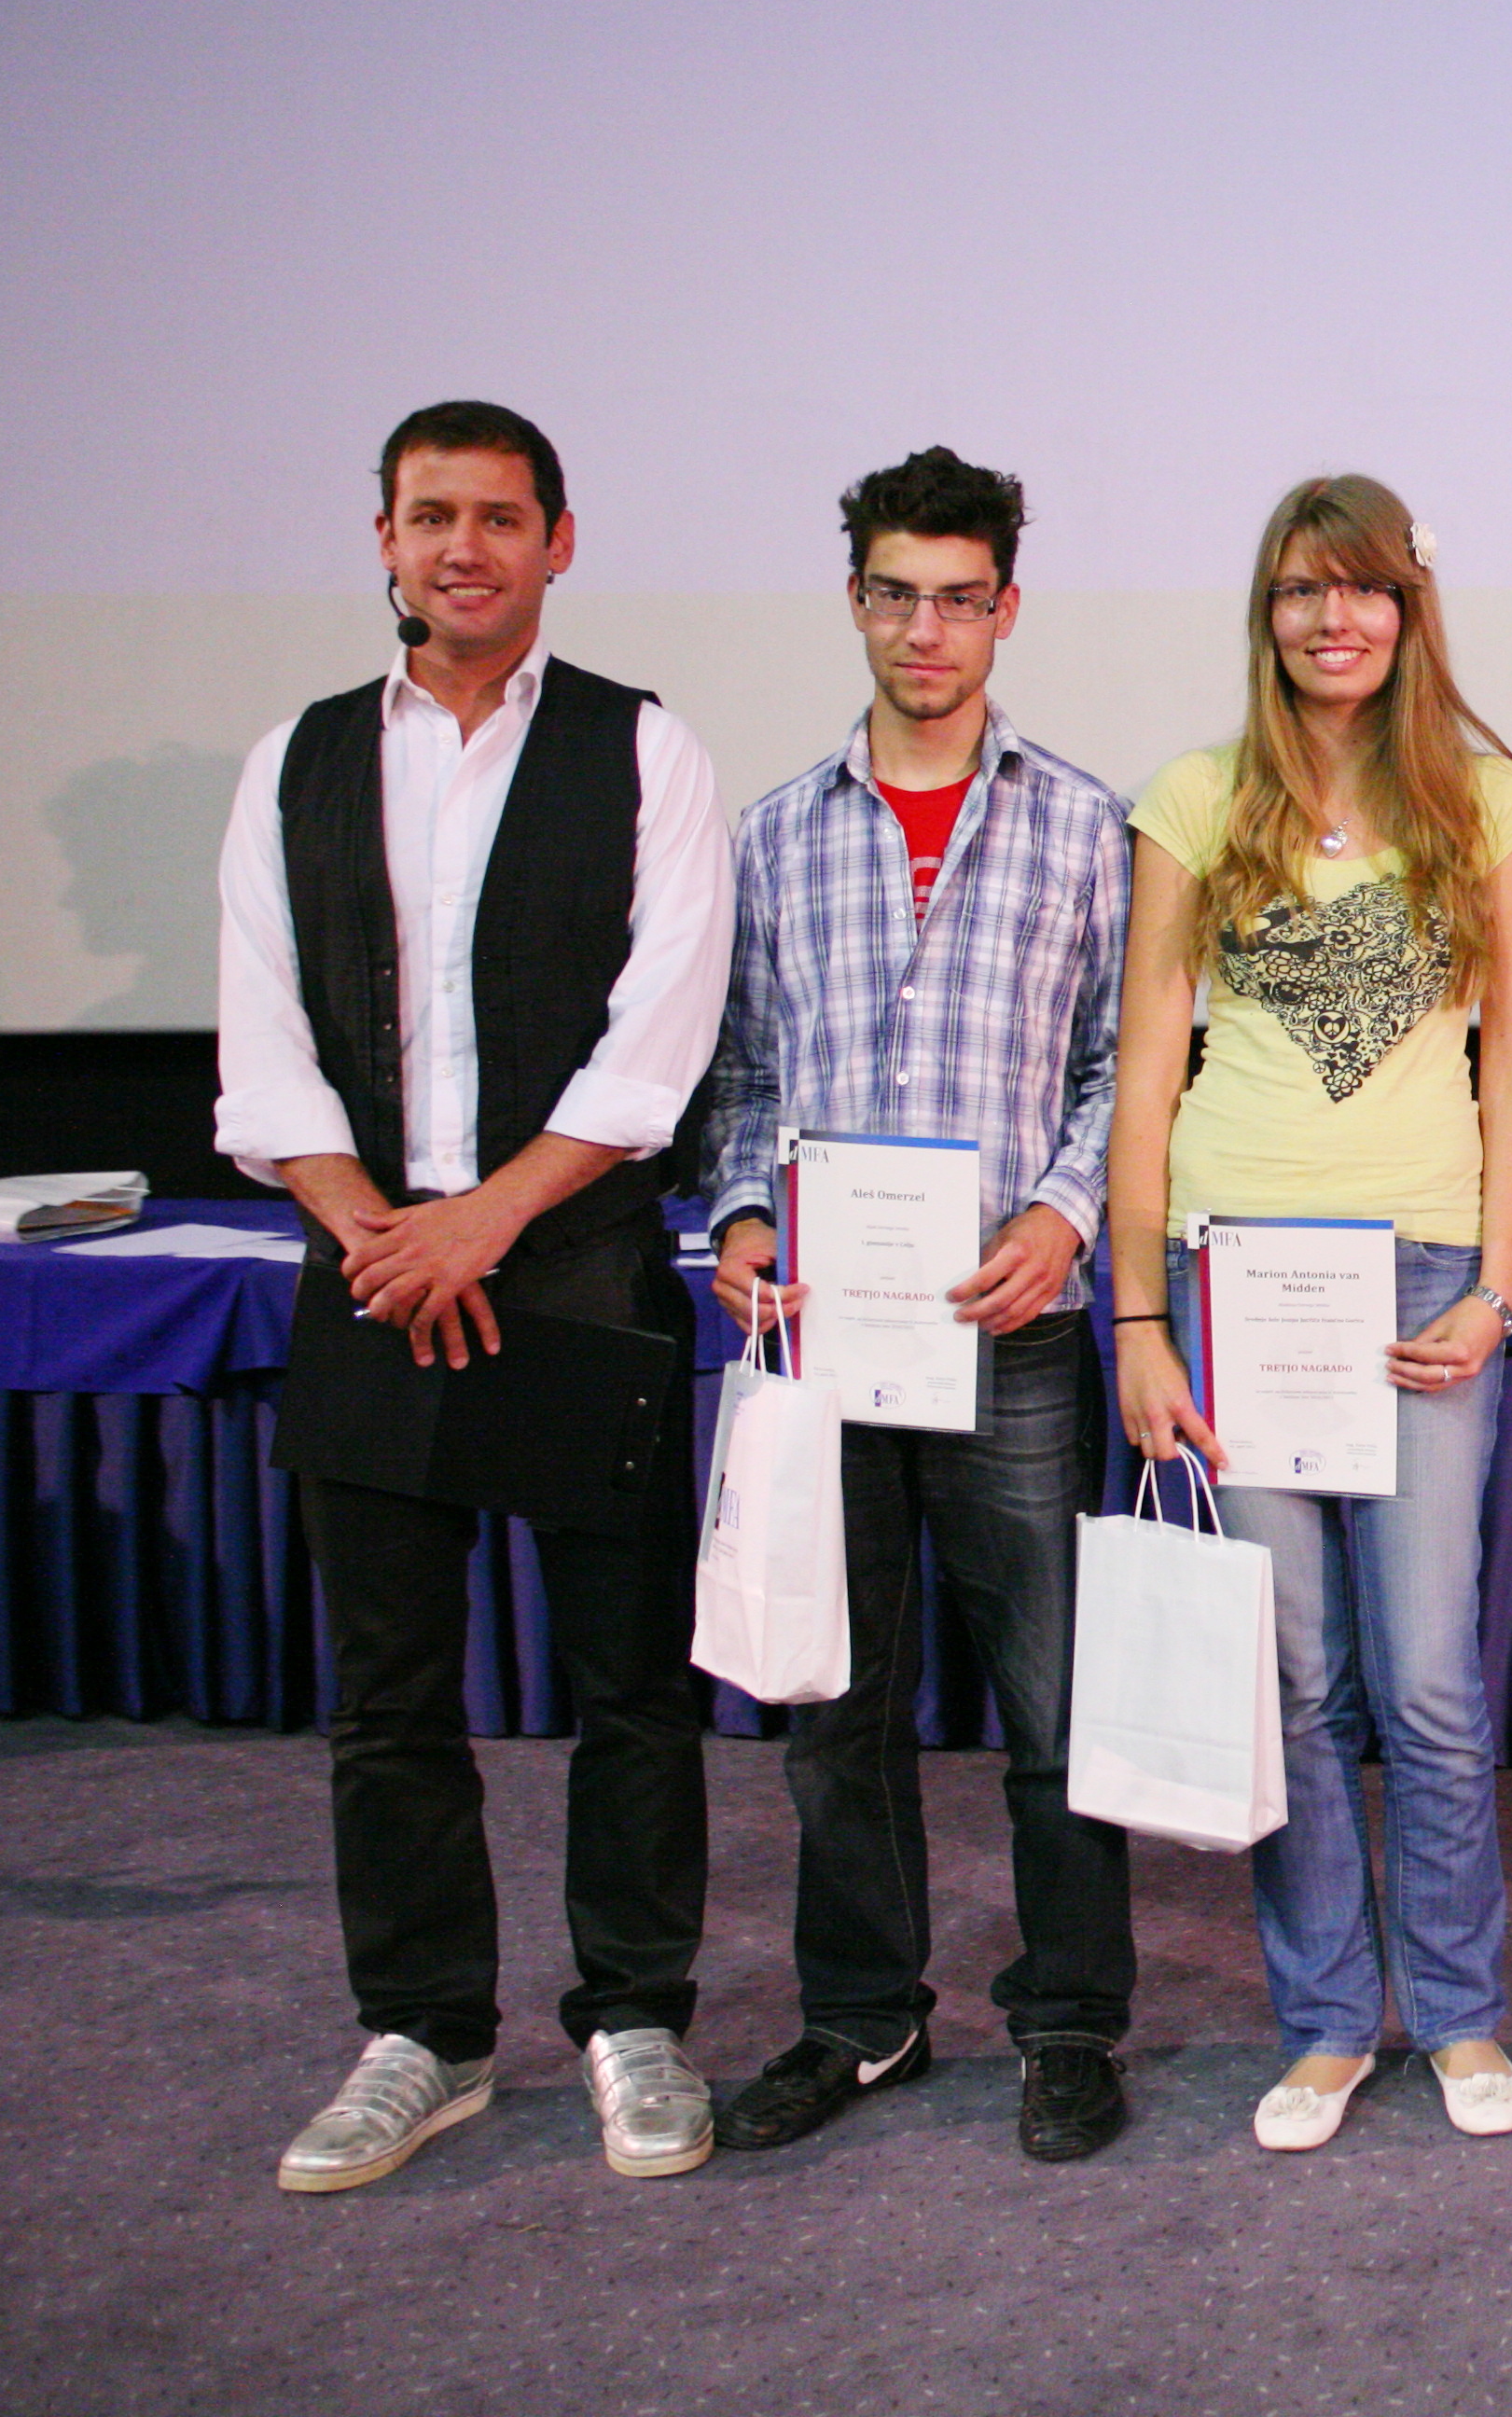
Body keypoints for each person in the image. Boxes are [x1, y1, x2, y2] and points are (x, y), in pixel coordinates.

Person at [215, 401, 734, 2188]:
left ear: (558, 543)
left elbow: (659, 1037)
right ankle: (424, 2035)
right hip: (368, 1272)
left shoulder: (645, 747)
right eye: (431, 515)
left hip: (572, 1269)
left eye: (501, 518)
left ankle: (637, 2015)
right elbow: (263, 1042)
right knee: (388, 1696)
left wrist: (482, 1224)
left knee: (628, 1682)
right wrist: (386, 1233)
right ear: (383, 537)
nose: (465, 548)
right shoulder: (294, 762)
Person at [699, 447, 1140, 2162]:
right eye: (898, 595)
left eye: (961, 599)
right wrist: (743, 1213)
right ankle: (861, 2014)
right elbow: (743, 1076)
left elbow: (1123, 1068)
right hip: (824, 1338)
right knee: (838, 1707)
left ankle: (1072, 2020)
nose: (927, 630)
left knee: (1053, 1705)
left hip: (1006, 1330)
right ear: (857, 601)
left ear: (1006, 609)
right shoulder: (773, 835)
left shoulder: (1085, 825)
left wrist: (1063, 1211)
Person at [1109, 474, 1512, 2151]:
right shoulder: (1195, 797)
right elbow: (1147, 1074)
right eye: (1302, 590)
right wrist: (1139, 1320)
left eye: (1362, 588)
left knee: (1429, 1682)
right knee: (1293, 1681)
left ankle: (1457, 2011)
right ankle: (1324, 2023)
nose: (1332, 618)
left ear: (1410, 608)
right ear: (1267, 614)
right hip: (1235, 1282)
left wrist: (1498, 1285)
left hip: (1423, 1281)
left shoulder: (1491, 801)